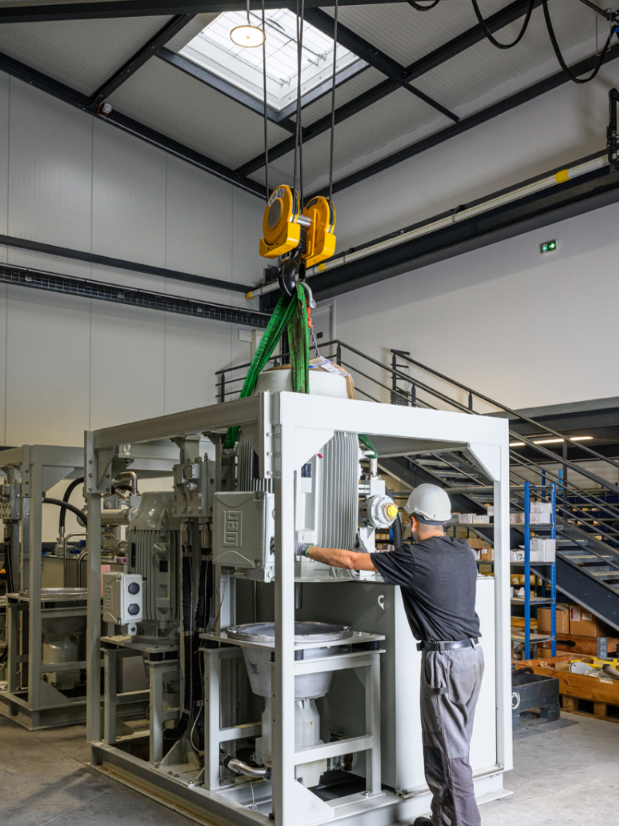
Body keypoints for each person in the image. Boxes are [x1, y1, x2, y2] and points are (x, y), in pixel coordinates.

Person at [295, 483, 483, 826]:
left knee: (451, 754)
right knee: (443, 745)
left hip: (443, 664)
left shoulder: (414, 559)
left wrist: (304, 548)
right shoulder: (462, 550)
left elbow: (352, 560)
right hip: (471, 659)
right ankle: (443, 820)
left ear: (412, 521)